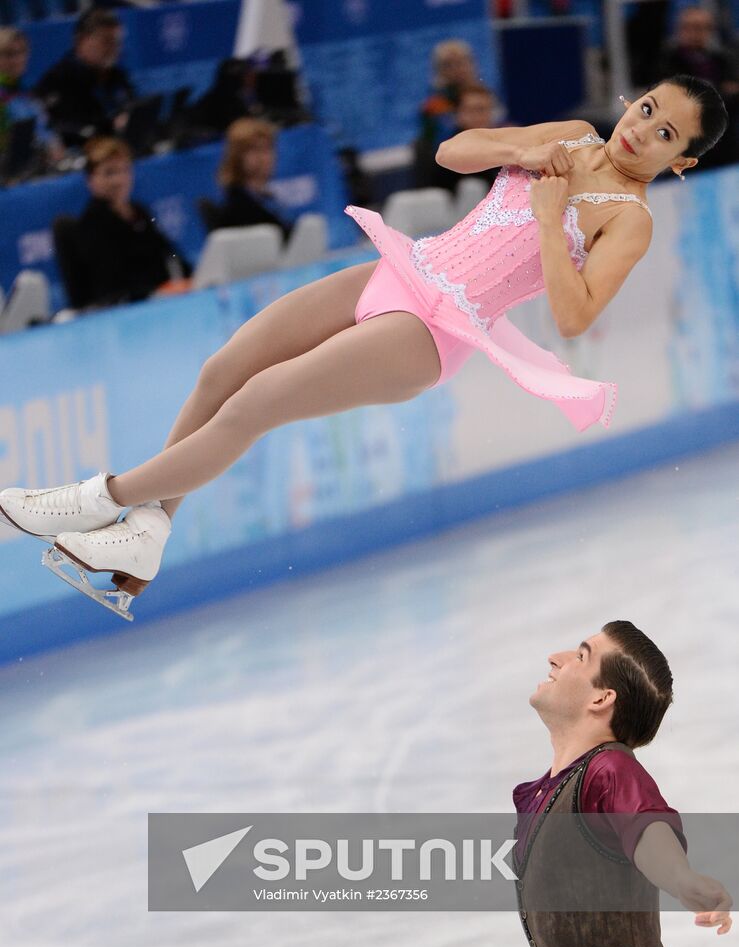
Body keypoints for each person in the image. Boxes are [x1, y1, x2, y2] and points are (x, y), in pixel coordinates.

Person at [0, 76, 728, 606]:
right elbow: (454, 152)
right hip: (405, 269)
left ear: (682, 161)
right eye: (647, 108)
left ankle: (100, 499)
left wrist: (547, 217)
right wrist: (522, 150)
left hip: (437, 331)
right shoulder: (570, 136)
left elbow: (574, 318)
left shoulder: (629, 220)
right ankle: (149, 532)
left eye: (666, 134)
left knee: (258, 402)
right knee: (225, 369)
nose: (641, 128)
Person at [516, 622, 732, 947]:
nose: (555, 657)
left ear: (601, 699)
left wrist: (681, 878)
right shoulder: (547, 794)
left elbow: (646, 825)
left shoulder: (609, 770)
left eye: (581, 656)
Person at [60, 136, 191, 309]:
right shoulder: (91, 225)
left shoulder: (139, 212)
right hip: (126, 312)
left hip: (161, 301)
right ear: (91, 180)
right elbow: (111, 288)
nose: (119, 180)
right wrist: (158, 292)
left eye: (125, 170)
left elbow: (170, 253)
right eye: (109, 172)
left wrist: (190, 279)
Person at [34, 9, 135, 148]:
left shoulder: (117, 75)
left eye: (117, 41)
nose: (114, 48)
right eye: (106, 41)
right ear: (81, 40)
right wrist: (109, 126)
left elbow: (132, 105)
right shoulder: (58, 80)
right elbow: (59, 128)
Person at [657, 7, 738, 166]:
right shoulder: (667, 62)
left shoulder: (722, 60)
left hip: (725, 143)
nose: (695, 33)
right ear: (680, 29)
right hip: (687, 146)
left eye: (701, 28)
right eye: (689, 27)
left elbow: (734, 96)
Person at [204, 117, 293, 239]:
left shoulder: (267, 199)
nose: (263, 157)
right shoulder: (235, 207)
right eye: (254, 150)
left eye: (268, 149)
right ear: (236, 156)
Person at [414, 83, 506, 191]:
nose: (478, 116)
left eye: (483, 109)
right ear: (458, 113)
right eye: (472, 110)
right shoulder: (446, 150)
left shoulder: (503, 144)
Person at [0, 27, 63, 177]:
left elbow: (45, 130)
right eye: (9, 54)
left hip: (41, 169)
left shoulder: (27, 92)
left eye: (22, 52)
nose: (18, 59)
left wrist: (53, 145)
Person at [417, 39, 479, 152]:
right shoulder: (433, 105)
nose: (456, 69)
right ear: (438, 70)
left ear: (472, 63)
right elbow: (442, 143)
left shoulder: (483, 94)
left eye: (461, 62)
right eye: (448, 65)